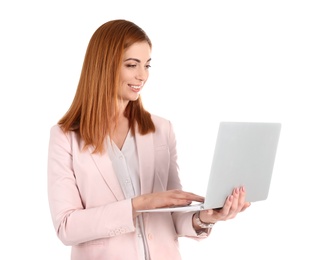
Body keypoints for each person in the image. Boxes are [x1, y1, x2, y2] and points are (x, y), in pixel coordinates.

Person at [47, 19, 250, 260]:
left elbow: (173, 214)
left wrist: (205, 217)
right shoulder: (66, 137)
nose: (142, 76)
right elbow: (66, 227)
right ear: (104, 65)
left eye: (147, 65)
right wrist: (137, 204)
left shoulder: (161, 129)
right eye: (132, 65)